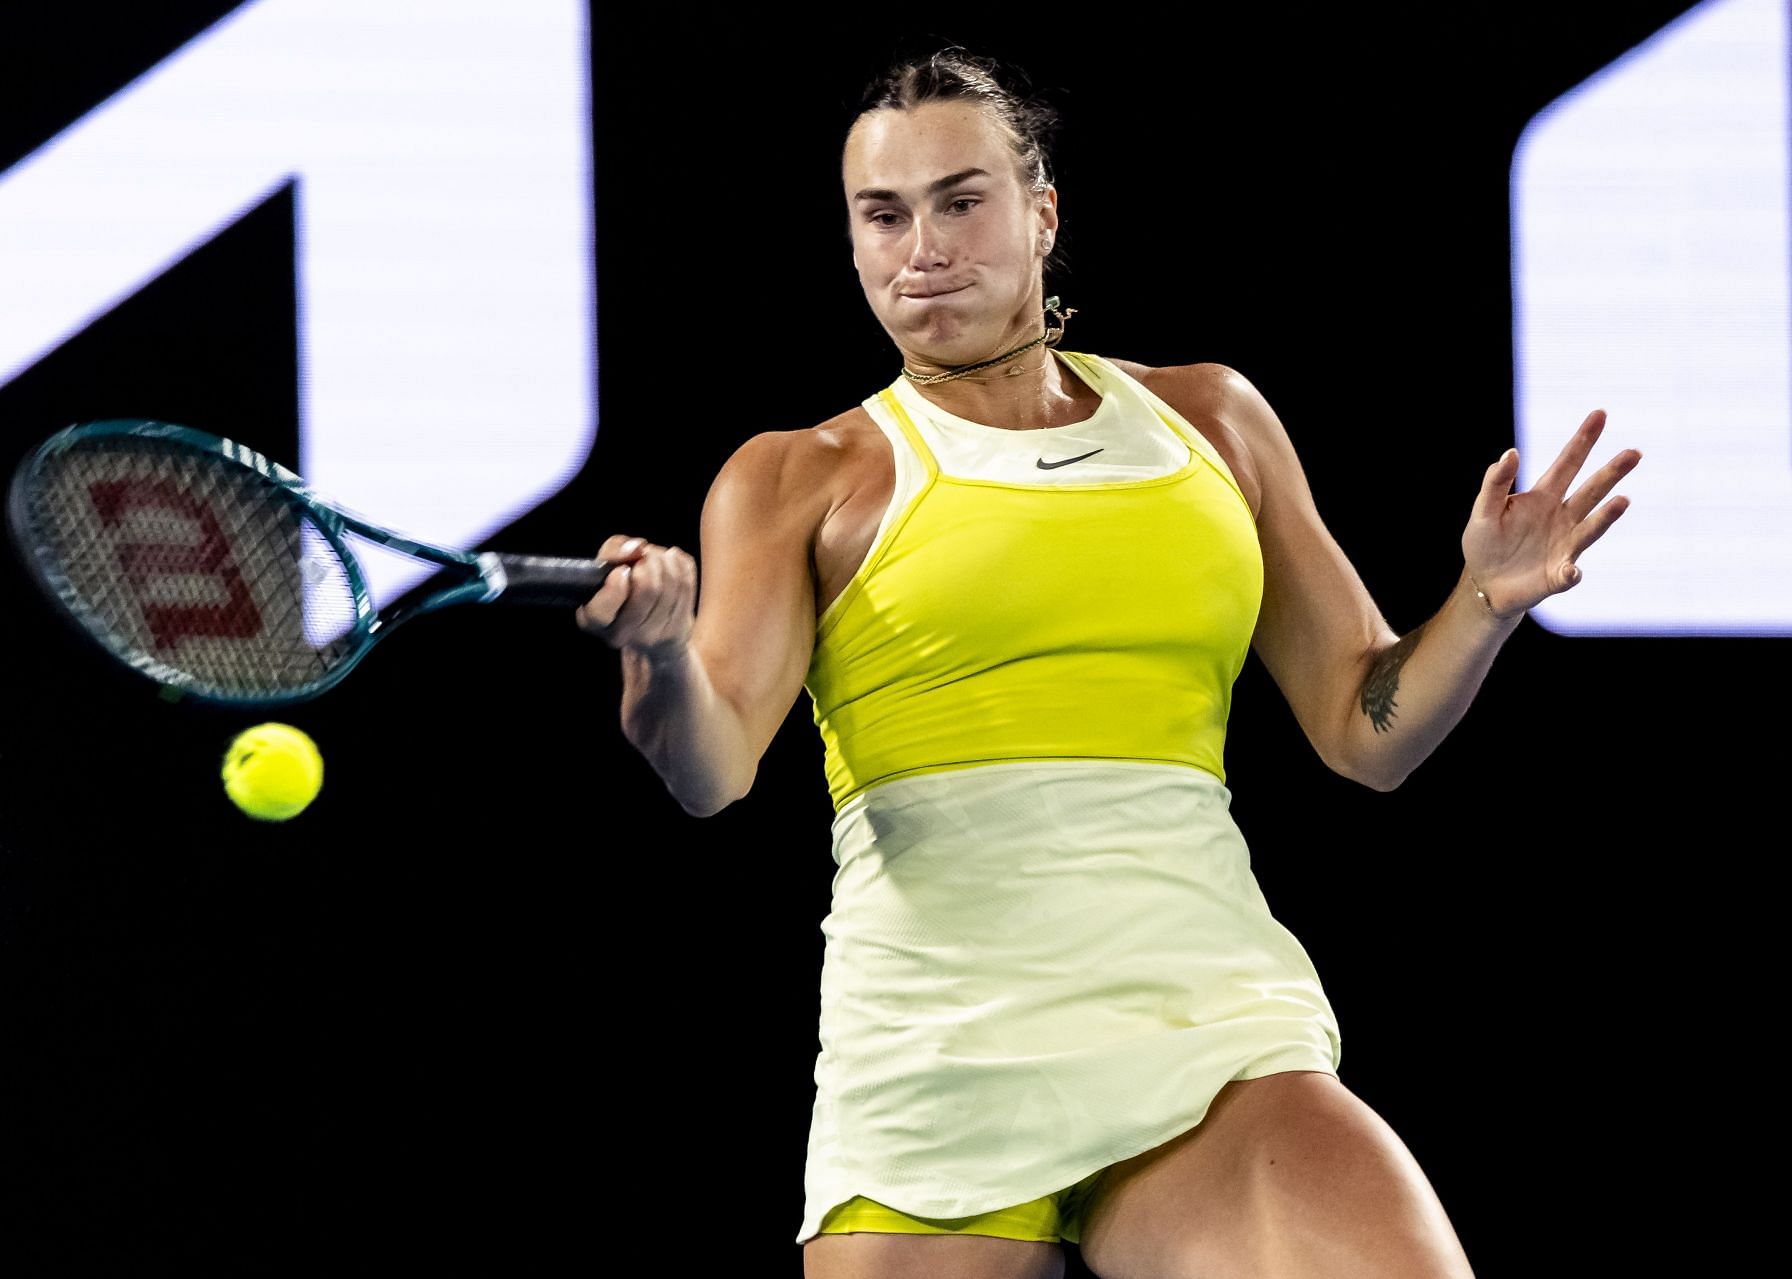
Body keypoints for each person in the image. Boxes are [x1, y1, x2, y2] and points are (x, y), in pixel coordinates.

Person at [575, 48, 1639, 1279]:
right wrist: (658, 654)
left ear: (1043, 212)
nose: (923, 246)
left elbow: (1367, 725)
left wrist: (1485, 602)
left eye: (961, 201)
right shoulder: (797, 476)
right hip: (939, 1056)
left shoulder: (1212, 420)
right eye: (885, 213)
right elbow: (711, 770)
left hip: (1205, 1033)